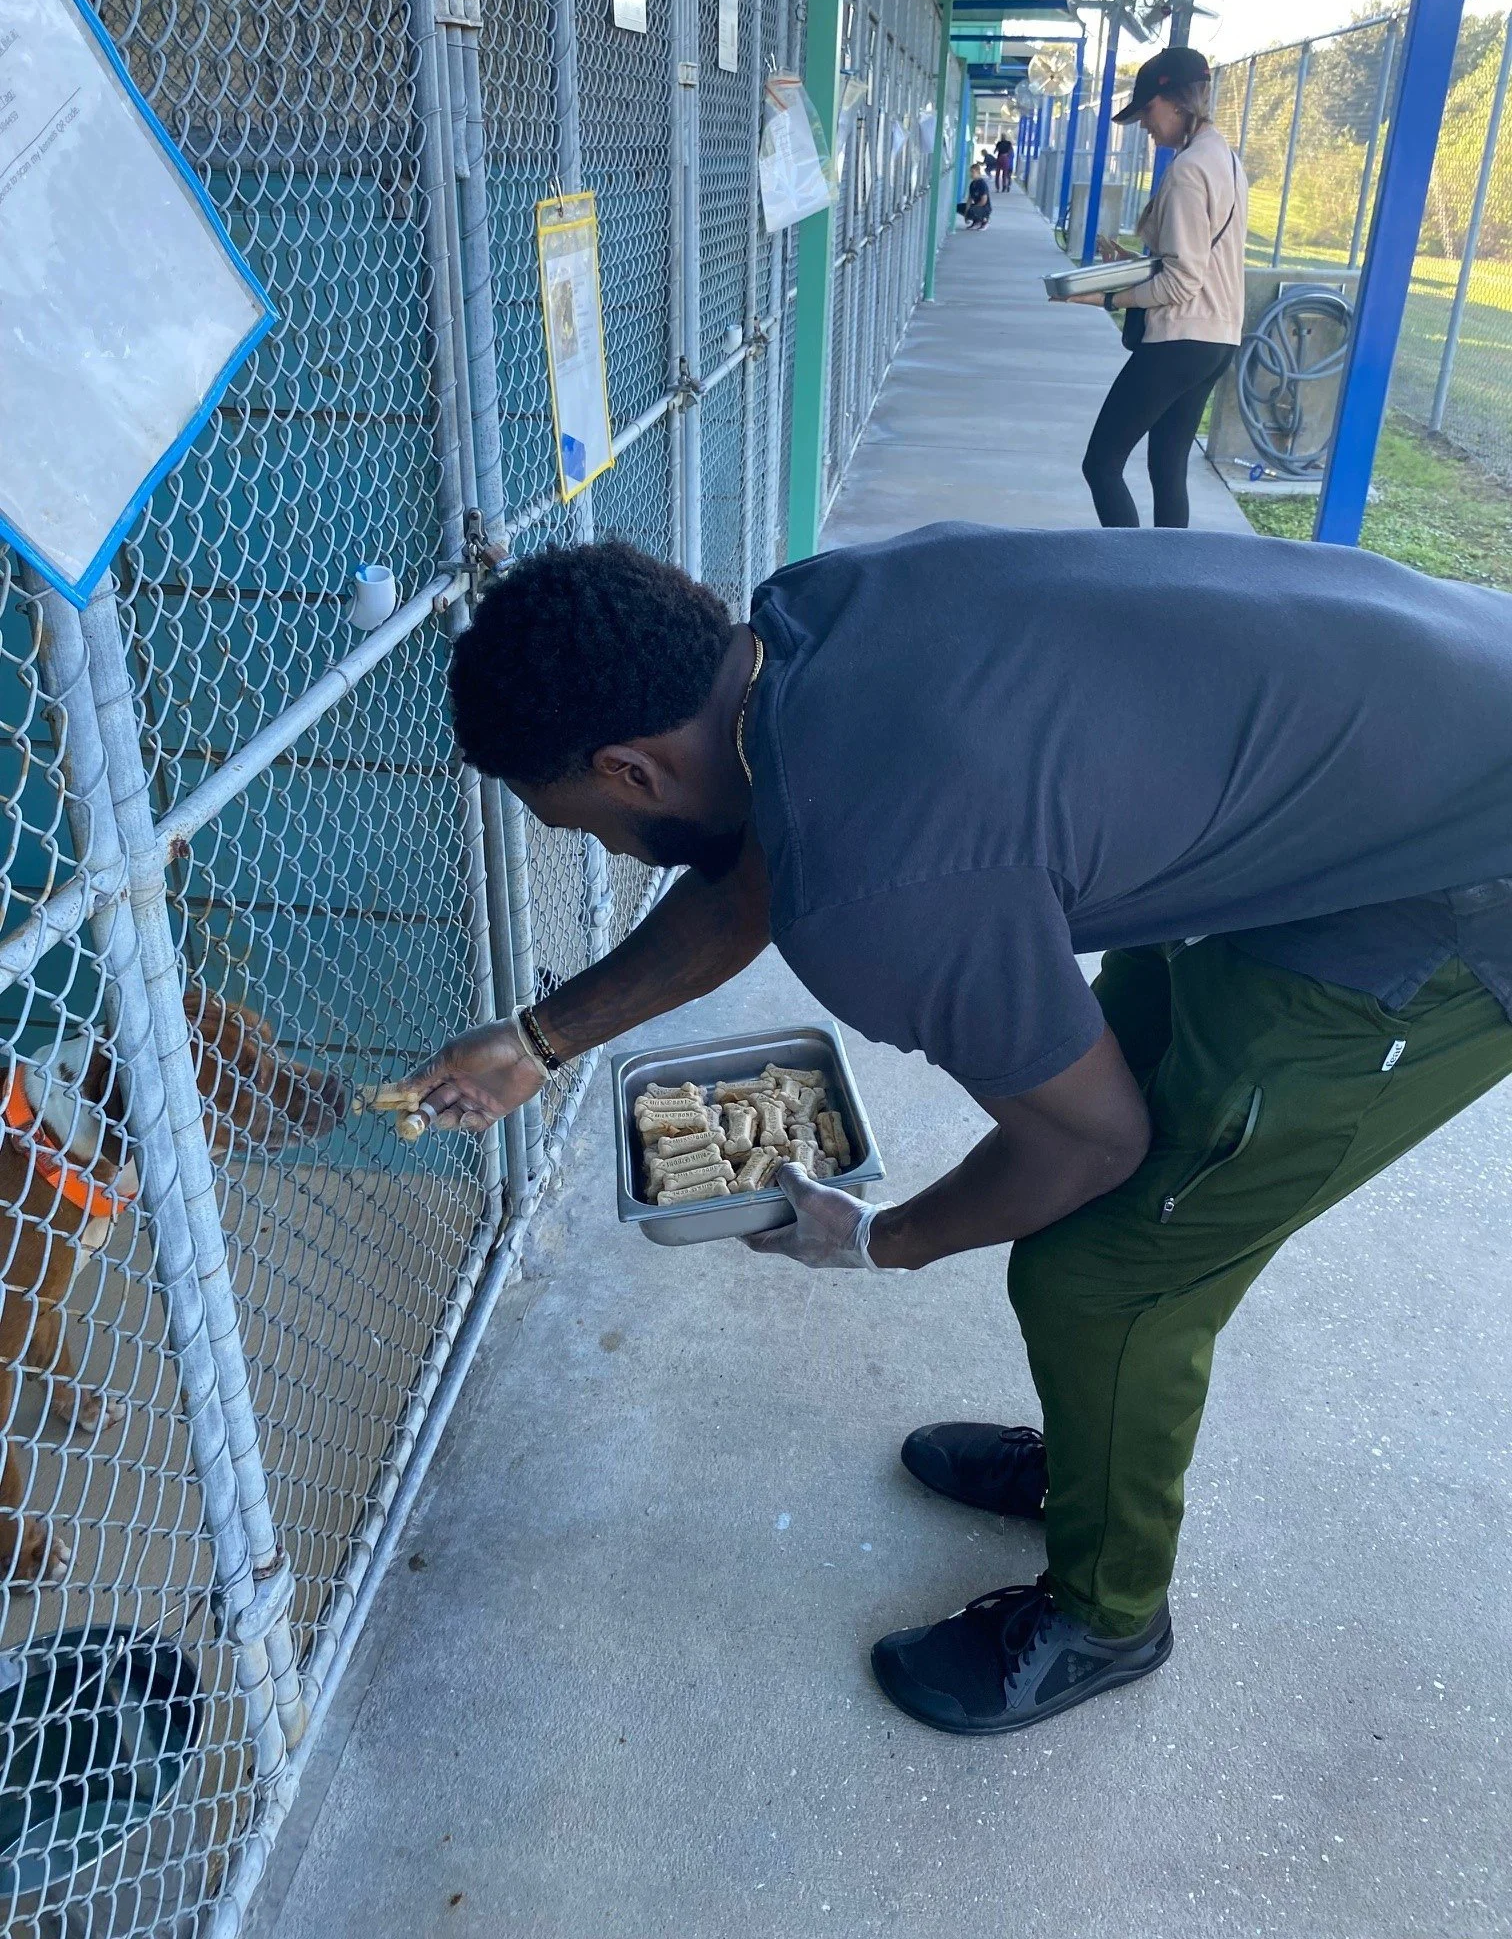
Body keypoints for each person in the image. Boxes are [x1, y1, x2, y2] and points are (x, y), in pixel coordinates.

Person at [402, 526, 1512, 1738]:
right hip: (1410, 716)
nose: (608, 848)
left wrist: (883, 1240)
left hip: (1464, 880)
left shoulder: (880, 893)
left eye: (585, 825)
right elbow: (764, 864)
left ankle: (1107, 1618)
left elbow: (1089, 1145)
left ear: (629, 771)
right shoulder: (807, 620)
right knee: (1125, 1098)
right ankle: (1092, 1456)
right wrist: (539, 1040)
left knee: (1107, 1271)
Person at [1062, 46, 1247, 528]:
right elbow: (1198, 258)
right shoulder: (1224, 158)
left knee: (1101, 464)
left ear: (1177, 102)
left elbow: (1183, 279)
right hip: (1217, 339)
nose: (1145, 125)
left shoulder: (1187, 171)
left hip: (1180, 338)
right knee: (1167, 468)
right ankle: (1170, 586)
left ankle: (1135, 577)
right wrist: (1128, 264)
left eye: (1148, 111)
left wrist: (1106, 297)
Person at [956, 162, 992, 229]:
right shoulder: (972, 184)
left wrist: (972, 209)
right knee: (957, 207)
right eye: (970, 172)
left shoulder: (982, 183)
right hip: (976, 206)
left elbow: (984, 201)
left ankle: (984, 220)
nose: (971, 174)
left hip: (984, 208)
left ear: (978, 172)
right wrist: (966, 214)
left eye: (973, 172)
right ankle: (975, 222)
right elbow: (969, 199)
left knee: (972, 210)